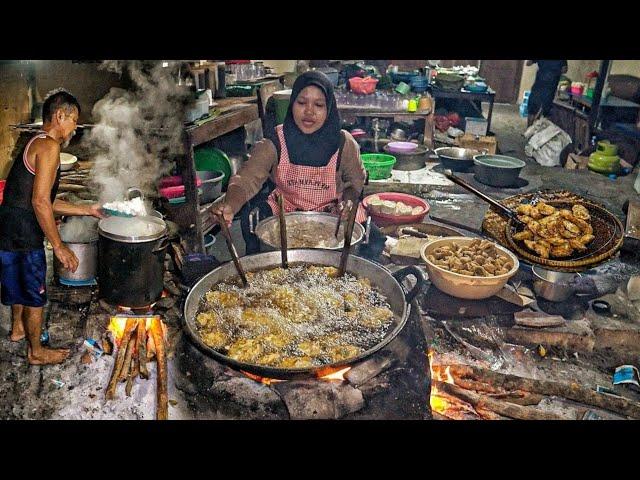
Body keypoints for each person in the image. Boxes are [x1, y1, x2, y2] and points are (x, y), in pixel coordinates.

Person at [212, 71, 381, 255]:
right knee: (251, 218)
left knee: (373, 239)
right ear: (292, 104)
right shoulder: (276, 141)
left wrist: (347, 202)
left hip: (332, 213)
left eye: (318, 105)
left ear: (329, 108)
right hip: (286, 212)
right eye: (301, 103)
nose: (309, 111)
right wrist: (230, 206)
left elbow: (355, 184)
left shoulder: (343, 143)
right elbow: (245, 180)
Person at [0, 89, 104, 365]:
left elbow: (42, 197)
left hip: (8, 227)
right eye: (74, 121)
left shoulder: (35, 141)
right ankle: (36, 352)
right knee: (35, 294)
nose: (74, 128)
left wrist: (87, 209)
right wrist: (59, 246)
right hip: (25, 233)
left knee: (15, 280)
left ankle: (17, 329)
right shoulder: (49, 146)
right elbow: (40, 202)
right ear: (60, 116)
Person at [526, 60, 568, 126]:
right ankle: (539, 130)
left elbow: (528, 63)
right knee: (545, 111)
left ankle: (529, 130)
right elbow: (564, 70)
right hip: (551, 85)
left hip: (540, 84)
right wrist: (555, 71)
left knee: (532, 109)